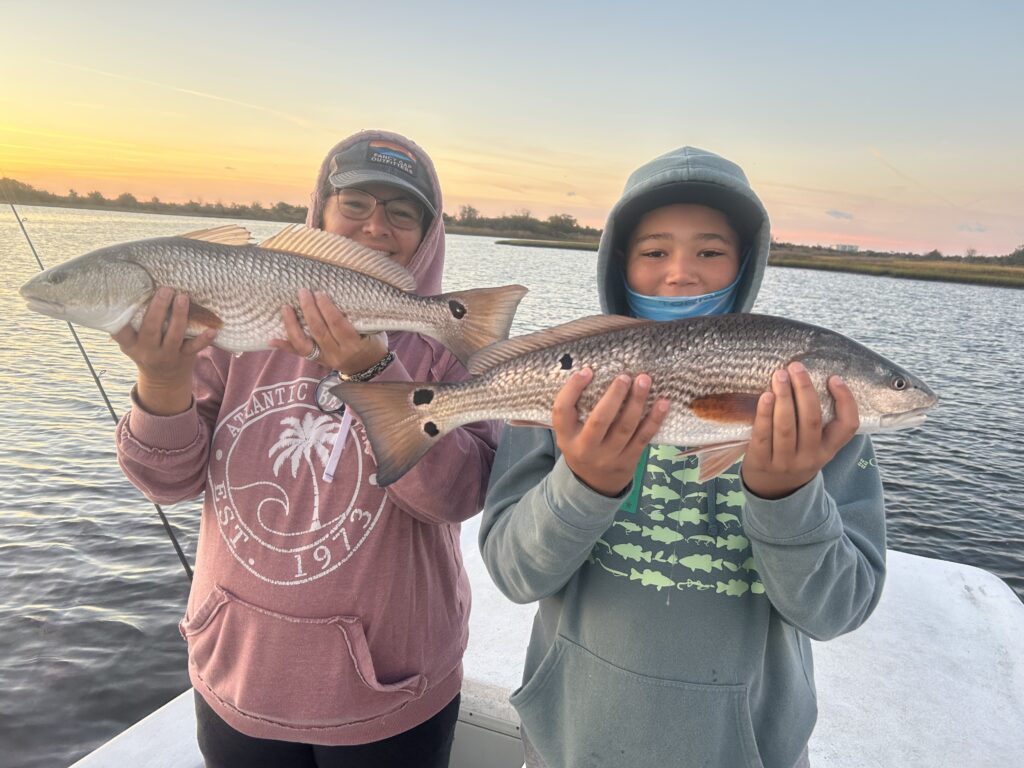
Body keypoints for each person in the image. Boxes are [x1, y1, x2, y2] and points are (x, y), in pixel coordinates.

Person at [480, 146, 886, 768]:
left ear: (745, 264)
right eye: (654, 251)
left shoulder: (819, 422)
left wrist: (787, 496)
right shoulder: (567, 389)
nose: (680, 273)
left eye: (710, 251)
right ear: (619, 261)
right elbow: (514, 575)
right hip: (570, 742)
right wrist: (582, 484)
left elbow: (837, 609)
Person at [114, 130, 496, 767]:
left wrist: (376, 371)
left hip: (391, 691)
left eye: (401, 212)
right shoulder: (227, 326)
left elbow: (455, 496)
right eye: (354, 205)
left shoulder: (451, 349)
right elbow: (168, 481)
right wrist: (160, 381)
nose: (375, 227)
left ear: (428, 236)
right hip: (238, 674)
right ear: (317, 213)